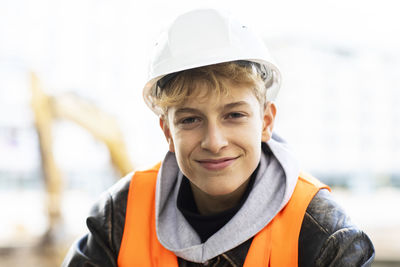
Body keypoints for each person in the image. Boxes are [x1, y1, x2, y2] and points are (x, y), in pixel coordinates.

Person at [62, 8, 375, 266]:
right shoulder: (119, 216)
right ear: (168, 132)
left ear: (266, 122)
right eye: (190, 119)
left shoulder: (325, 236)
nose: (214, 141)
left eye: (234, 115)